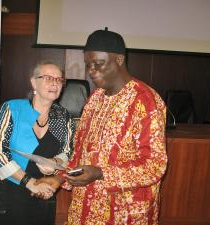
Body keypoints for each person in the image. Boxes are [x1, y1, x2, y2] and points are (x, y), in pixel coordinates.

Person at [37, 29, 168, 224]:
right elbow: (81, 152)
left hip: (125, 213)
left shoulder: (145, 101)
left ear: (119, 60)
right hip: (87, 209)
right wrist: (61, 178)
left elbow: (154, 165)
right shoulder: (95, 98)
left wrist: (100, 173)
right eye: (88, 65)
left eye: (98, 64)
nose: (91, 71)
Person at [0, 61, 75, 225]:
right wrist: (29, 182)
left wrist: (55, 162)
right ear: (33, 82)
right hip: (6, 191)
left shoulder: (63, 116)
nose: (54, 83)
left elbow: (67, 152)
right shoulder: (11, 108)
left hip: (42, 192)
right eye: (47, 78)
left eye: (59, 79)